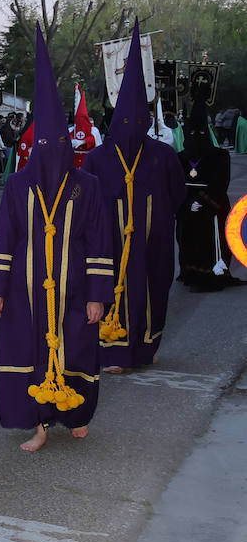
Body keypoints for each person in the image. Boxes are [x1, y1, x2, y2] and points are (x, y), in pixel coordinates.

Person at [0, 26, 114, 452]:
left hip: (75, 291)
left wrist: (98, 295)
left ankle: (76, 414)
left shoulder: (88, 186)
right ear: (33, 147)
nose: (52, 153)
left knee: (76, 349)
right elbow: (4, 238)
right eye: (45, 146)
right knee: (29, 354)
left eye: (60, 145)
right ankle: (38, 423)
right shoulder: (20, 186)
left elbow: (99, 243)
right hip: (25, 293)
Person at [82, 24, 187, 375]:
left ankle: (147, 345)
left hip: (153, 240)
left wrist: (156, 222)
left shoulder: (162, 154)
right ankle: (115, 351)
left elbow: (177, 195)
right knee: (115, 289)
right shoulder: (98, 158)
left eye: (136, 121)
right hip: (111, 243)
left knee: (155, 287)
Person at [176, 100, 239, 291]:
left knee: (210, 241)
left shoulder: (220, 156)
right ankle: (191, 271)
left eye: (201, 134)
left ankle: (211, 274)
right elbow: (176, 183)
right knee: (187, 239)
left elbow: (221, 183)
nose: (196, 137)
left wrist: (204, 201)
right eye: (192, 134)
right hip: (187, 206)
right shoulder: (180, 157)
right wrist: (186, 202)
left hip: (212, 207)